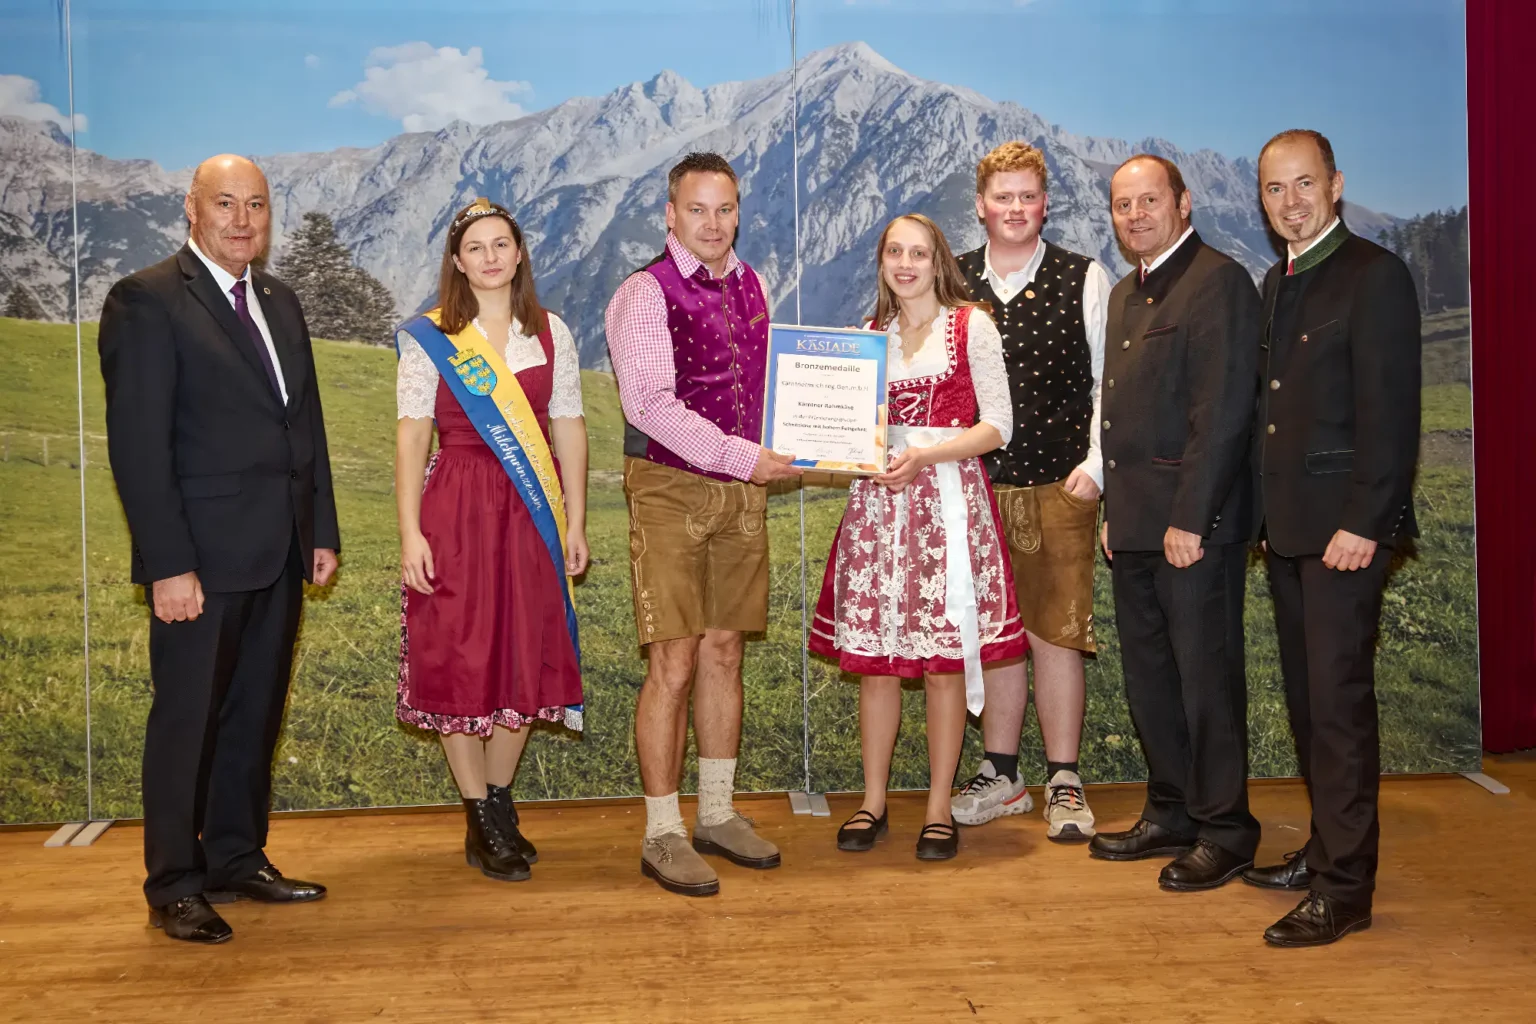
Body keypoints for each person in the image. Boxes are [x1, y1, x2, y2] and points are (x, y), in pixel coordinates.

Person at [98, 154, 340, 944]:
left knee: (252, 714)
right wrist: (168, 563)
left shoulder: (279, 299)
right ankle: (174, 881)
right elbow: (138, 447)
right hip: (198, 560)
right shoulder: (148, 300)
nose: (243, 220)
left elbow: (302, 427)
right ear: (191, 211)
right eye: (226, 204)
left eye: (257, 205)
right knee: (187, 721)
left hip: (278, 550)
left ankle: (236, 856)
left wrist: (322, 532)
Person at [605, 152, 800, 897]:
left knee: (725, 653)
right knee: (675, 663)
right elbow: (649, 406)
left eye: (725, 210)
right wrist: (742, 458)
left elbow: (762, 381)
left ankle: (716, 812)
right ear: (669, 214)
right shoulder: (644, 292)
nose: (713, 224)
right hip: (671, 489)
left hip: (739, 490)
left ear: (738, 212)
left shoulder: (750, 282)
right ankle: (662, 831)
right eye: (698, 210)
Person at [1246, 129, 1420, 947]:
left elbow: (1393, 419)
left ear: (1336, 183)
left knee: (1340, 711)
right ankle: (1325, 851)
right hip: (1288, 534)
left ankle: (1346, 889)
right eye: (1275, 190)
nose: (1290, 202)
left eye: (1303, 185)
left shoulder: (1374, 276)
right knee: (1312, 708)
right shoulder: (1278, 282)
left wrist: (1366, 522)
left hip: (1344, 536)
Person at [810, 213, 1024, 862]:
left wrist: (926, 457)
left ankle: (937, 806)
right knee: (877, 667)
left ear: (939, 263)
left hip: (947, 508)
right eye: (894, 252)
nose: (906, 264)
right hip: (879, 514)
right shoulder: (867, 339)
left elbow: (999, 427)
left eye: (919, 253)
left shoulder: (970, 326)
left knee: (941, 665)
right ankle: (873, 800)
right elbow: (846, 434)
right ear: (881, 262)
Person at [395, 199, 588, 883]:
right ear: (457, 261)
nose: (490, 257)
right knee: (459, 651)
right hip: (458, 508)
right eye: (475, 247)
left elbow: (567, 428)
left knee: (523, 652)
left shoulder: (552, 333)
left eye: (501, 244)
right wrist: (410, 529)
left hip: (531, 512)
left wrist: (576, 521)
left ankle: (499, 803)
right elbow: (413, 433)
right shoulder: (433, 337)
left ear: (519, 252)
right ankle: (477, 812)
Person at [1088, 155, 1263, 892]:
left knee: (1205, 681)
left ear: (1183, 203)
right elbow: (1119, 414)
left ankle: (1226, 828)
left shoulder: (1217, 281)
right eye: (1123, 204)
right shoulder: (1129, 291)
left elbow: (1221, 414)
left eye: (1149, 200)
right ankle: (1171, 809)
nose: (1135, 214)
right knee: (1151, 679)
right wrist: (1111, 509)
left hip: (1193, 530)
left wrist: (1192, 518)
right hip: (1132, 526)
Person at [952, 141, 1109, 841]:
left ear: (1045, 204)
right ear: (981, 205)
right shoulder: (952, 278)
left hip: (1059, 480)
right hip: (975, 487)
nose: (1015, 209)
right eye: (1002, 197)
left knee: (1057, 634)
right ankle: (1003, 774)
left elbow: (1112, 381)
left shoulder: (1084, 276)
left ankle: (1066, 780)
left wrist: (1098, 465)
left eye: (1027, 197)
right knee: (995, 638)